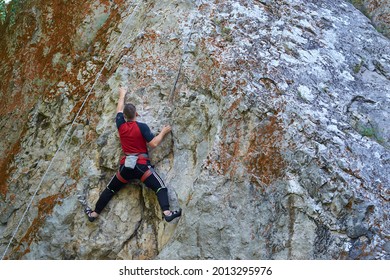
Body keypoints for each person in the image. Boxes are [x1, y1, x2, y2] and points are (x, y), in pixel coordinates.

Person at [85, 87, 181, 222]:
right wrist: (163, 132)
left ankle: (94, 214)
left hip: (126, 168)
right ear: (137, 114)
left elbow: (118, 110)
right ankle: (167, 212)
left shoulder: (121, 125)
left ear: (124, 117)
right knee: (160, 187)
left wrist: (122, 94)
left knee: (110, 189)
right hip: (142, 167)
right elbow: (153, 144)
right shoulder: (142, 127)